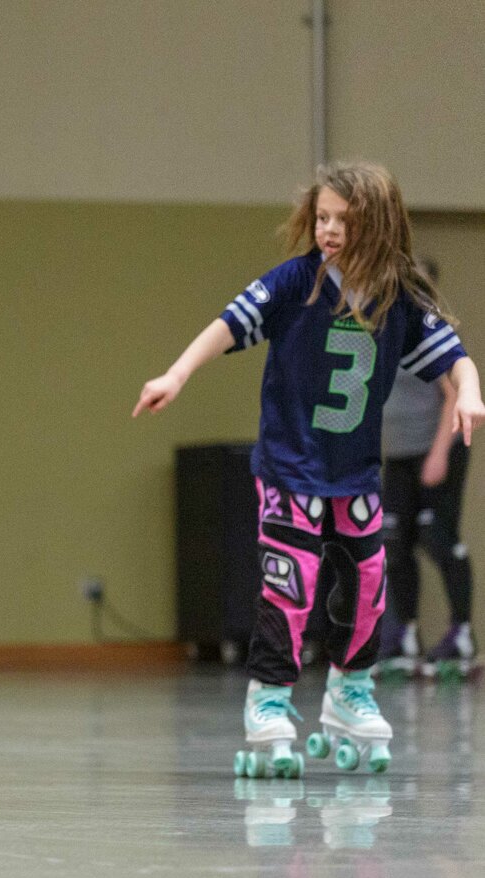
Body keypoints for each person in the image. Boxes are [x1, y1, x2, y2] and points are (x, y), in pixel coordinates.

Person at [134, 162, 485, 779]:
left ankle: (351, 692)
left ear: (375, 224)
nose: (327, 230)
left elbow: (456, 360)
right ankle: (267, 701)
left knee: (367, 589)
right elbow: (229, 324)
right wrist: (177, 373)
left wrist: (470, 394)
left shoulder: (399, 296)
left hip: (354, 476)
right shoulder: (296, 283)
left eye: (342, 221)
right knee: (288, 588)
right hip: (291, 468)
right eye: (321, 218)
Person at [376, 259, 475, 678]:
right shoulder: (383, 328)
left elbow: (452, 395)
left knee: (438, 539)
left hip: (436, 451)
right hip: (396, 455)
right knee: (395, 544)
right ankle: (407, 633)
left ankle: (462, 633)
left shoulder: (431, 330)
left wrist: (437, 454)